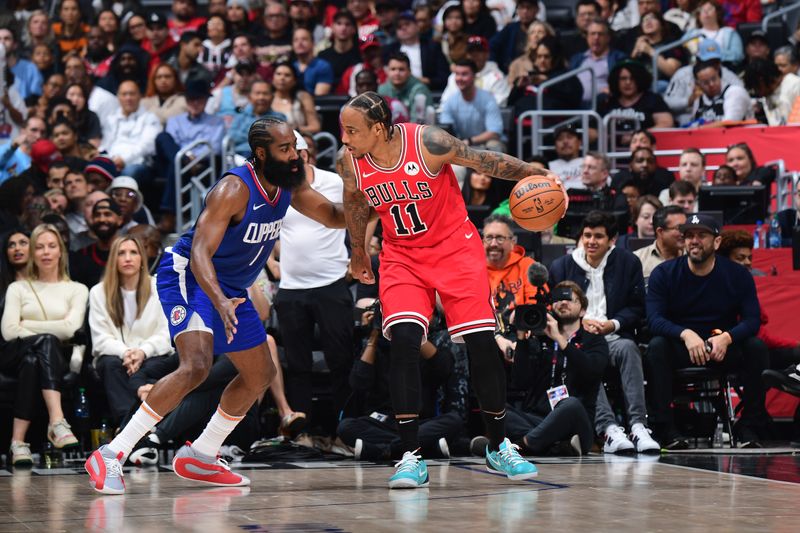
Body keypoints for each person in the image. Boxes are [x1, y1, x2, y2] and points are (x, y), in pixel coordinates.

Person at [84, 116, 347, 495]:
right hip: (189, 276)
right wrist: (220, 299)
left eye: (295, 147)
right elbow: (200, 253)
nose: (294, 156)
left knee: (259, 374)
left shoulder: (291, 186)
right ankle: (112, 452)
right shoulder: (234, 188)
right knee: (196, 366)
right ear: (261, 153)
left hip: (230, 287)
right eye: (285, 149)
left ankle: (203, 455)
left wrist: (369, 196)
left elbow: (336, 218)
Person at [338, 92, 559, 488]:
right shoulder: (349, 161)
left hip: (456, 250)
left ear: (378, 128)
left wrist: (533, 172)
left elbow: (484, 160)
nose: (344, 137)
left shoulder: (427, 142)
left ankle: (498, 445)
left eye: (351, 129)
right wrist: (358, 253)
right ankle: (410, 456)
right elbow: (355, 206)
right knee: (404, 339)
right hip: (402, 255)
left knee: (479, 342)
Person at [646, 213, 770, 449]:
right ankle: (665, 429)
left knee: (756, 348)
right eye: (689, 235)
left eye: (701, 235)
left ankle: (749, 427)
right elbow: (654, 320)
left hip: (722, 348)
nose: (694, 240)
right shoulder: (664, 273)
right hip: (683, 347)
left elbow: (752, 320)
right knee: (656, 347)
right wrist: (686, 334)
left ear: (716, 242)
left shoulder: (738, 275)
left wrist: (727, 337)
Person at [549, 211, 659, 454]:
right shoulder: (562, 266)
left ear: (612, 239)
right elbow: (555, 307)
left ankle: (639, 425)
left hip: (613, 334)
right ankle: (608, 429)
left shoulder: (628, 262)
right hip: (578, 338)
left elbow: (637, 307)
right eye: (587, 235)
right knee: (587, 360)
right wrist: (580, 324)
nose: (591, 241)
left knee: (629, 349)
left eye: (598, 236)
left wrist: (613, 324)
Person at [272, 132, 354, 434]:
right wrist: (271, 261)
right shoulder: (278, 190)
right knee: (297, 365)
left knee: (341, 360)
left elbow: (365, 213)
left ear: (306, 155)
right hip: (291, 288)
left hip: (331, 282)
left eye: (294, 154)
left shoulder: (332, 182)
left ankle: (346, 429)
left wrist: (358, 253)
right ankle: (302, 432)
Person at [1, 224, 88, 465]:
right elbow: (8, 332)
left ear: (61, 251)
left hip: (53, 359)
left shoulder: (77, 289)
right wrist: (53, 327)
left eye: (52, 246)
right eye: (39, 247)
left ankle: (18, 443)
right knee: (47, 341)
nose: (46, 252)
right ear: (32, 252)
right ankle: (57, 421)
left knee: (34, 360)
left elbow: (71, 327)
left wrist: (26, 323)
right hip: (12, 354)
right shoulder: (17, 288)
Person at [503, 280, 609, 456]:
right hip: (537, 419)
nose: (563, 302)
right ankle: (555, 446)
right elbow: (520, 382)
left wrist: (561, 340)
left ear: (583, 310)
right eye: (559, 299)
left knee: (570, 404)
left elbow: (592, 372)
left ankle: (522, 445)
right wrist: (521, 339)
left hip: (575, 422)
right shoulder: (540, 340)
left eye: (570, 299)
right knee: (497, 408)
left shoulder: (594, 340)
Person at [89, 235, 173, 426]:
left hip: (153, 354)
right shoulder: (98, 292)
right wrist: (126, 353)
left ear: (142, 258)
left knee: (153, 366)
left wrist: (143, 351)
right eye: (121, 253)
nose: (128, 258)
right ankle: (129, 427)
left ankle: (137, 430)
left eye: (133, 252)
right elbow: (100, 338)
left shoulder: (159, 287)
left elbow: (167, 332)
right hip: (117, 357)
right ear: (113, 260)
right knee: (111, 365)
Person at [664, 39, 743, 126]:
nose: (712, 65)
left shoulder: (728, 76)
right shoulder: (683, 74)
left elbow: (740, 96)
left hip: (719, 124)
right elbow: (667, 102)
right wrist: (688, 101)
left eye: (715, 61)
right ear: (698, 59)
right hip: (685, 127)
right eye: (708, 61)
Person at [100, 80, 162, 187]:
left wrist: (124, 160)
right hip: (112, 162)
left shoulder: (150, 118)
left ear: (140, 96)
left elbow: (147, 146)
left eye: (132, 94)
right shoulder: (110, 119)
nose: (128, 98)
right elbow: (105, 144)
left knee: (129, 173)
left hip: (139, 164)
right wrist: (105, 159)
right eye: (124, 94)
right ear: (118, 97)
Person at [439, 60, 506, 153]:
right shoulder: (450, 101)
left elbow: (494, 133)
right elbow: (445, 129)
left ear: (474, 76)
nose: (459, 78)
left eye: (464, 74)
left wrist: (470, 141)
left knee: (494, 146)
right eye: (457, 74)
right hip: (461, 146)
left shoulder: (488, 99)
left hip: (485, 146)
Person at [382, 10, 450, 92]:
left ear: (417, 26)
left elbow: (444, 76)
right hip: (397, 93)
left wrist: (425, 81)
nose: (403, 28)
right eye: (399, 26)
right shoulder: (389, 50)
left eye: (407, 24)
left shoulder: (432, 47)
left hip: (429, 91)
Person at [569, 18, 627, 105]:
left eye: (600, 34)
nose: (596, 37)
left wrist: (612, 89)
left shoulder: (618, 58)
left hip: (605, 105)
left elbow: (625, 81)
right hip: (577, 105)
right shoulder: (577, 59)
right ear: (587, 37)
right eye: (592, 34)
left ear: (608, 38)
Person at [69, 198, 123, 289]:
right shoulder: (81, 255)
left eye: (107, 214)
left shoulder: (129, 254)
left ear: (120, 220)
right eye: (97, 215)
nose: (102, 219)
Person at [634, 205, 686, 286]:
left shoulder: (693, 257)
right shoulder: (637, 259)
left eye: (686, 227)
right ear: (660, 232)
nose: (684, 233)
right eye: (679, 228)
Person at [229, 80, 286, 156]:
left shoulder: (279, 118)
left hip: (268, 157)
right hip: (240, 155)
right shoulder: (241, 115)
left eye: (265, 94)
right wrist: (258, 136)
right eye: (257, 93)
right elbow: (232, 136)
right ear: (249, 97)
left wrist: (249, 136)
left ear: (272, 97)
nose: (261, 97)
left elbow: (279, 139)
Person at [692, 58, 752, 125]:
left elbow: (729, 123)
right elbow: (694, 123)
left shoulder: (735, 92)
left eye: (714, 79)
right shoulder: (699, 98)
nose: (711, 84)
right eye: (706, 82)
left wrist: (699, 129)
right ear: (698, 84)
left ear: (719, 75)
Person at [378, 53, 432, 124]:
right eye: (393, 69)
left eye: (401, 69)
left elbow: (417, 122)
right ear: (387, 71)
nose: (397, 73)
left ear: (409, 71)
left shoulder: (419, 90)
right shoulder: (382, 89)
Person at [269, 61, 321, 135]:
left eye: (287, 75)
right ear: (273, 78)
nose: (282, 78)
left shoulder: (303, 97)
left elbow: (315, 127)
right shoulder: (266, 97)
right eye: (278, 74)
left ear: (294, 80)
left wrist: (292, 130)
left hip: (298, 139)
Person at [744, 59, 800, 126]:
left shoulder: (795, 85)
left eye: (756, 88)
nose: (757, 92)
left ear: (761, 81)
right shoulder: (767, 96)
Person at [490, 0, 539, 73]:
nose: (525, 11)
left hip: (535, 72)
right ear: (517, 10)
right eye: (522, 8)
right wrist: (493, 66)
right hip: (510, 72)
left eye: (529, 8)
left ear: (536, 10)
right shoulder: (510, 29)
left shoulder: (542, 29)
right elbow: (492, 45)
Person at [691, 0, 743, 65]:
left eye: (709, 9)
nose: (706, 12)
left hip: (722, 69)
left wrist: (714, 52)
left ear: (718, 13)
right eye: (702, 10)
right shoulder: (692, 34)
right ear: (698, 15)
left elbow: (738, 56)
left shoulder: (729, 32)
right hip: (695, 69)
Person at [318, 9, 362, 84]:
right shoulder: (323, 56)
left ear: (354, 29)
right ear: (332, 27)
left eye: (347, 24)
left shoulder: (360, 56)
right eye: (339, 23)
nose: (343, 28)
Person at [0, 25, 43, 101]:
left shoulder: (30, 68)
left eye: (6, 39)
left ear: (15, 45)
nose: (2, 42)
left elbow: (36, 95)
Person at [141, 63, 187, 128]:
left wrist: (149, 113)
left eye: (167, 76)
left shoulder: (184, 101)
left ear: (175, 80)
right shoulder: (144, 102)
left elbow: (171, 117)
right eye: (159, 77)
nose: (163, 80)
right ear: (154, 81)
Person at [291, 27, 334, 96]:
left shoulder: (322, 66)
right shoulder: (290, 66)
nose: (299, 43)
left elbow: (319, 98)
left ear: (313, 43)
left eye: (304, 39)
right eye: (296, 40)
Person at [548, 125, 584, 191]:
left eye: (570, 137)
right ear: (555, 145)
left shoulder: (590, 164)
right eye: (560, 139)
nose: (565, 142)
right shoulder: (547, 167)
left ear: (579, 142)